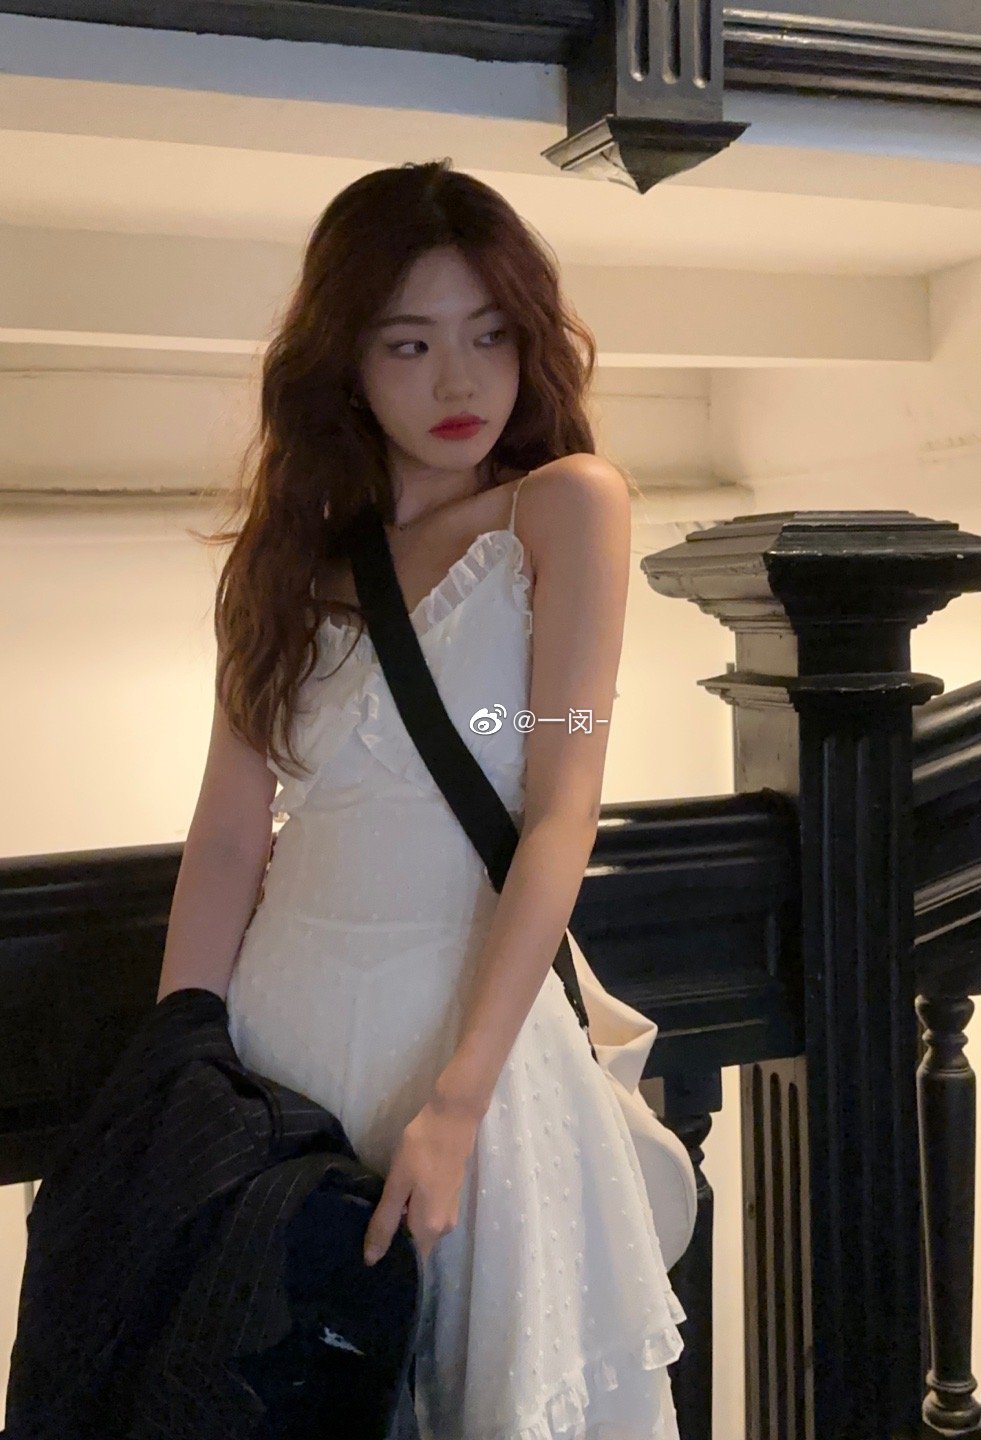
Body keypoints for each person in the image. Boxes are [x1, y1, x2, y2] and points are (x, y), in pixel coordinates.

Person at [157, 158, 687, 1440]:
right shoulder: (282, 564)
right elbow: (228, 839)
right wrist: (177, 1069)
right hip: (281, 1044)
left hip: (468, 1044)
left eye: (490, 335)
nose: (459, 382)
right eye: (410, 343)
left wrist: (457, 1105)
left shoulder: (564, 507)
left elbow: (562, 807)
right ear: (345, 361)